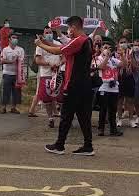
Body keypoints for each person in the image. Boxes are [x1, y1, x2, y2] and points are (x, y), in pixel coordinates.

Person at [38, 16, 95, 156]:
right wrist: (45, 41)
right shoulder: (87, 40)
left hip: (74, 84)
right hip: (84, 84)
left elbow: (58, 51)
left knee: (66, 116)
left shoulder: (79, 40)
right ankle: (88, 146)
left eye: (69, 28)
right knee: (83, 117)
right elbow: (62, 47)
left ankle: (59, 145)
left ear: (74, 28)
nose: (68, 31)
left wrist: (40, 44)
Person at [30, 26, 62, 125]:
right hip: (45, 74)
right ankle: (50, 118)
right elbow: (38, 60)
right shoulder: (39, 45)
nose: (49, 34)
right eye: (46, 33)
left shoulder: (58, 44)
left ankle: (62, 116)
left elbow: (64, 57)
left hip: (57, 74)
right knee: (47, 98)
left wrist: (59, 64)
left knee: (60, 97)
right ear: (44, 34)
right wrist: (49, 64)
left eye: (50, 32)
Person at [95, 42, 122, 137]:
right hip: (104, 87)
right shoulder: (98, 58)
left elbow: (123, 64)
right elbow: (101, 67)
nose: (107, 49)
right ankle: (101, 129)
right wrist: (106, 57)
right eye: (105, 47)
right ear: (101, 49)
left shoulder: (114, 60)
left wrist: (122, 54)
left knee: (113, 110)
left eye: (109, 48)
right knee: (103, 109)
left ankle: (113, 130)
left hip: (114, 88)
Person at [0, 34, 24, 114]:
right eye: (13, 38)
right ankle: (3, 107)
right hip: (7, 73)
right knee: (6, 91)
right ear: (9, 39)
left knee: (16, 91)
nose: (15, 39)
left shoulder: (20, 49)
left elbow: (22, 60)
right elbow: (2, 60)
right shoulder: (5, 49)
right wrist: (11, 61)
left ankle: (14, 107)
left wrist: (17, 60)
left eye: (16, 38)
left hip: (17, 74)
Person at [116, 37, 137, 128]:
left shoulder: (131, 52)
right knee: (119, 100)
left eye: (125, 42)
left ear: (128, 43)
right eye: (121, 42)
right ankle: (119, 119)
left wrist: (131, 58)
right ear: (118, 43)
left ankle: (131, 119)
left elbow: (135, 67)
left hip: (129, 77)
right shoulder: (115, 53)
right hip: (119, 77)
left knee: (130, 100)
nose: (123, 43)